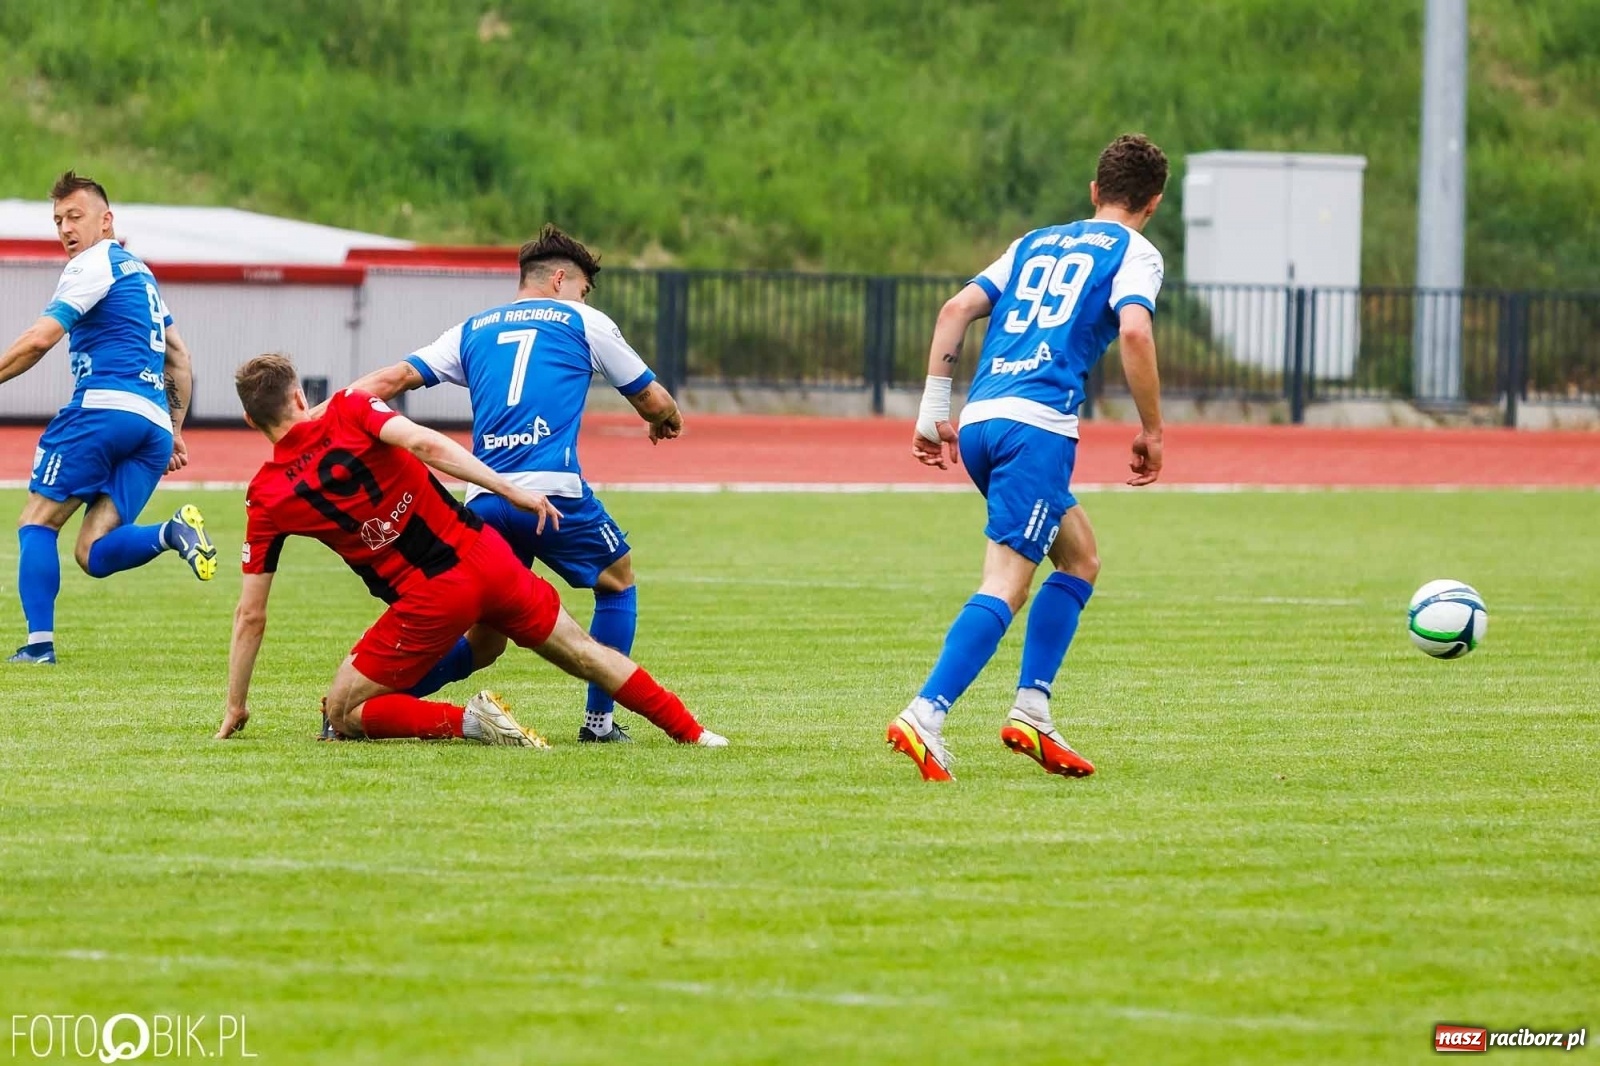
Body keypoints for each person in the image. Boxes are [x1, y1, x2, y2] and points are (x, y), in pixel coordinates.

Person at [216, 353, 725, 749]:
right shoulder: (351, 405)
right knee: (586, 654)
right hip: (489, 555)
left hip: (432, 597)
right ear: (302, 397)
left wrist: (236, 704)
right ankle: (694, 733)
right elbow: (427, 445)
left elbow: (250, 615)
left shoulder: (267, 494)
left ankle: (469, 721)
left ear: (248, 418)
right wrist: (509, 489)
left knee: (345, 711)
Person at [886, 133, 1170, 782]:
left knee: (1079, 557)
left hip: (983, 422)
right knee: (1007, 584)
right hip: (1036, 430)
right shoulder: (1137, 251)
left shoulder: (1036, 240)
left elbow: (957, 309)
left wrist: (934, 409)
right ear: (1152, 203)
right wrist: (1153, 428)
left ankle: (1032, 711)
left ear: (1095, 191)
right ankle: (925, 715)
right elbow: (1133, 328)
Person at [339, 225, 683, 743]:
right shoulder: (583, 320)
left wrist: (320, 419)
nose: (584, 296)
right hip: (552, 495)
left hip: (485, 498)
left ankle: (381, 705)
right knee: (616, 580)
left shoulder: (472, 328)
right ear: (562, 279)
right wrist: (666, 418)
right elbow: (654, 401)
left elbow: (390, 381)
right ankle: (599, 724)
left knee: (485, 642)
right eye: (584, 287)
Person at [0, 171, 215, 665]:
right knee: (92, 553)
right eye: (57, 220)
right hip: (152, 430)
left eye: (75, 216)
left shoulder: (91, 263)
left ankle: (38, 646)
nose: (65, 229)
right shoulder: (142, 276)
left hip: (102, 411)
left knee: (36, 522)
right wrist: (175, 431)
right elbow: (179, 357)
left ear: (106, 220)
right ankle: (172, 532)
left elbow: (39, 338)